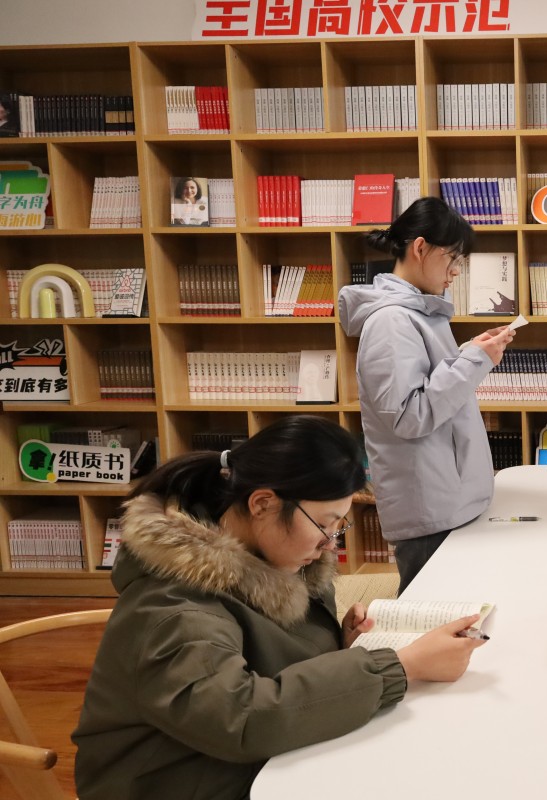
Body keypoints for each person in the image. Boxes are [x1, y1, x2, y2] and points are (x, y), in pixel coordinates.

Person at [73, 416, 487, 800]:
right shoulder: (173, 607)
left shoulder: (273, 558)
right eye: (324, 523)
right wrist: (400, 667)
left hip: (244, 762)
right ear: (262, 504)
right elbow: (239, 717)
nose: (330, 542)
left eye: (339, 524)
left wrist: (335, 643)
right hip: (176, 782)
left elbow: (260, 662)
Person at [339, 197, 514, 592]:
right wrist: (473, 362)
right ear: (420, 248)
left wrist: (470, 353)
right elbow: (408, 416)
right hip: (428, 510)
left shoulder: (417, 313)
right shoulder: (391, 321)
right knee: (430, 612)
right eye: (452, 258)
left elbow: (432, 384)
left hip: (444, 500)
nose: (456, 271)